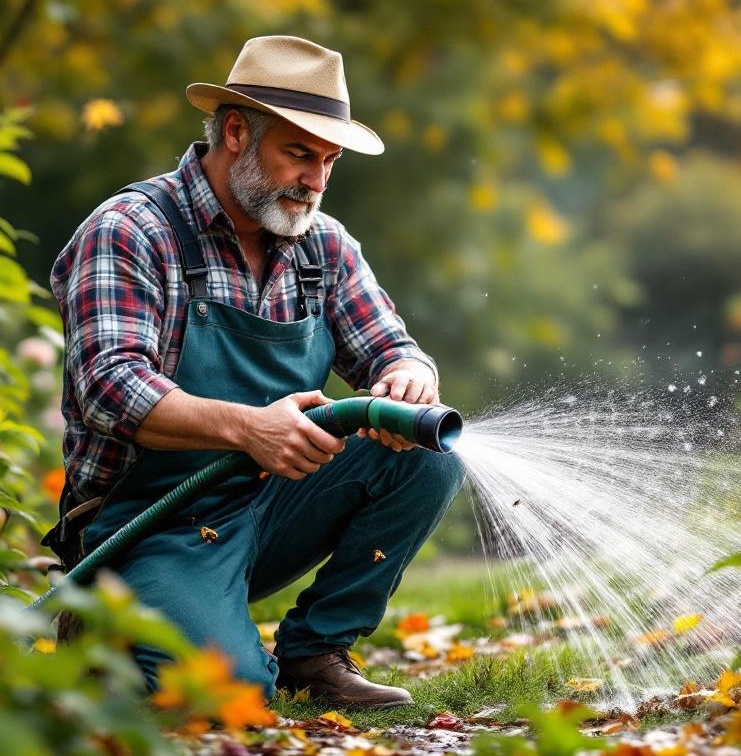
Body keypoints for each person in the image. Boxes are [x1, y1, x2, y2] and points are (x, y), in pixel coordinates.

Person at [45, 35, 464, 709]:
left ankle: (315, 655)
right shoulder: (130, 229)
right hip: (148, 525)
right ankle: (105, 628)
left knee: (427, 454)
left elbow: (388, 345)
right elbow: (109, 388)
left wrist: (409, 373)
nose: (318, 180)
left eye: (329, 160)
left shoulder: (323, 244)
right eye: (300, 153)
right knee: (231, 697)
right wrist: (248, 429)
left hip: (270, 505)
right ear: (236, 132)